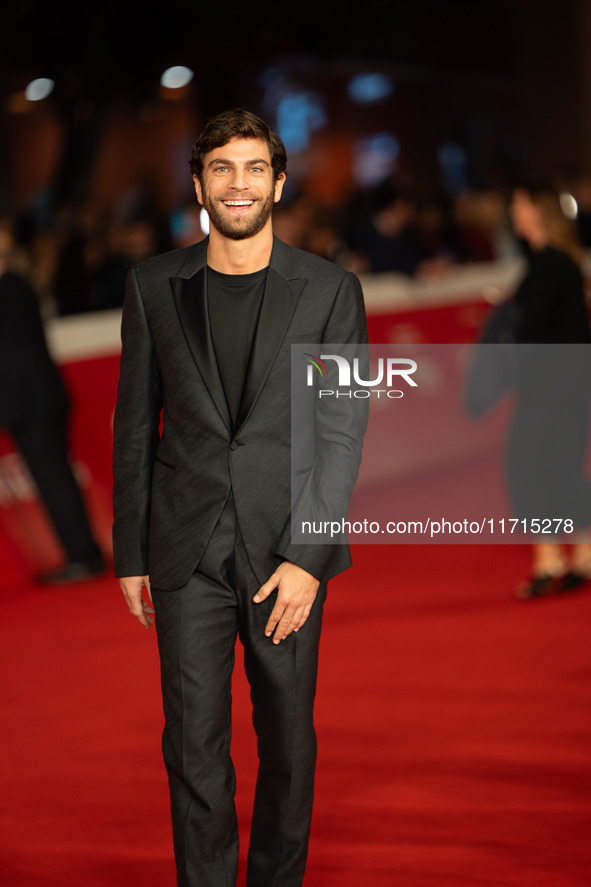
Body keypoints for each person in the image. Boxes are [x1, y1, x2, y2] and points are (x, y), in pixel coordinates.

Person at [112, 109, 368, 887]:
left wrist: (309, 559)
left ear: (278, 183)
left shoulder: (330, 291)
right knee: (193, 746)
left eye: (254, 168)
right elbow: (133, 424)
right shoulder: (153, 285)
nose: (238, 183)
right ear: (197, 183)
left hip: (285, 553)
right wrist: (131, 553)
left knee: (287, 742)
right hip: (184, 552)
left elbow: (342, 436)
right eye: (221, 168)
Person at [0, 226, 105, 583]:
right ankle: (84, 553)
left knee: (53, 478)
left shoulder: (9, 287)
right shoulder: (18, 284)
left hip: (31, 403)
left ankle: (82, 555)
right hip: (41, 398)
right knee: (57, 476)